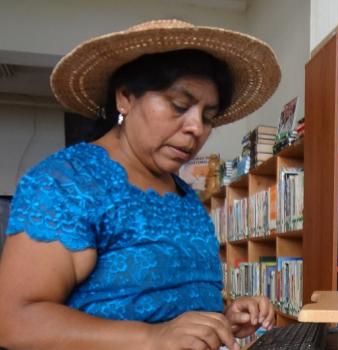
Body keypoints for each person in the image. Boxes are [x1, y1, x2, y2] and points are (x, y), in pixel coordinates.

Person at [0, 19, 281, 350]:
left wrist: (221, 319)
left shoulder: (186, 196)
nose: (195, 127)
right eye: (179, 105)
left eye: (207, 116)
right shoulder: (66, 183)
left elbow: (170, 308)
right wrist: (152, 337)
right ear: (125, 98)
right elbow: (15, 321)